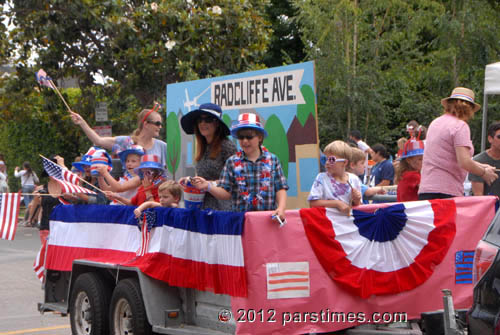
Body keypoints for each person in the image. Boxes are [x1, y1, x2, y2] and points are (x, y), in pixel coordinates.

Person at [190, 113, 288, 222]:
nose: (245, 141)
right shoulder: (232, 162)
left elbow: (280, 188)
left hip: (268, 220)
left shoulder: (272, 160)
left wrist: (281, 208)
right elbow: (226, 193)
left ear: (260, 137)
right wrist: (207, 186)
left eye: (249, 136)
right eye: (241, 137)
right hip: (241, 221)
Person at [419, 87, 498, 200]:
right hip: (447, 191)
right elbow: (464, 162)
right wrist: (483, 173)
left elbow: (447, 158)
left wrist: (483, 166)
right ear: (469, 109)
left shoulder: (435, 123)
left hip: (427, 189)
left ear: (448, 104)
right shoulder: (460, 126)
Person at [70, 103, 167, 168]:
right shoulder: (126, 142)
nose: (160, 127)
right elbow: (98, 140)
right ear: (146, 124)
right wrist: (82, 122)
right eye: (157, 123)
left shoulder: (163, 146)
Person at [179, 103, 236, 210]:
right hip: (201, 205)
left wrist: (209, 184)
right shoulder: (202, 146)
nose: (203, 123)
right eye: (199, 120)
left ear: (217, 123)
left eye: (208, 119)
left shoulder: (227, 146)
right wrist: (190, 180)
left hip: (222, 208)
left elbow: (235, 180)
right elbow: (201, 176)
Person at [308, 140, 361, 215]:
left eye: (331, 160)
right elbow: (313, 203)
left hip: (348, 223)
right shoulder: (321, 178)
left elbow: (357, 206)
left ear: (344, 162)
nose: (327, 163)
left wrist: (357, 200)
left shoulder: (354, 179)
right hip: (328, 223)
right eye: (325, 159)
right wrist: (337, 203)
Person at [469, 122, 500, 196]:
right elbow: (478, 195)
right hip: (487, 205)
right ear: (490, 139)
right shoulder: (479, 161)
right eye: (499, 137)